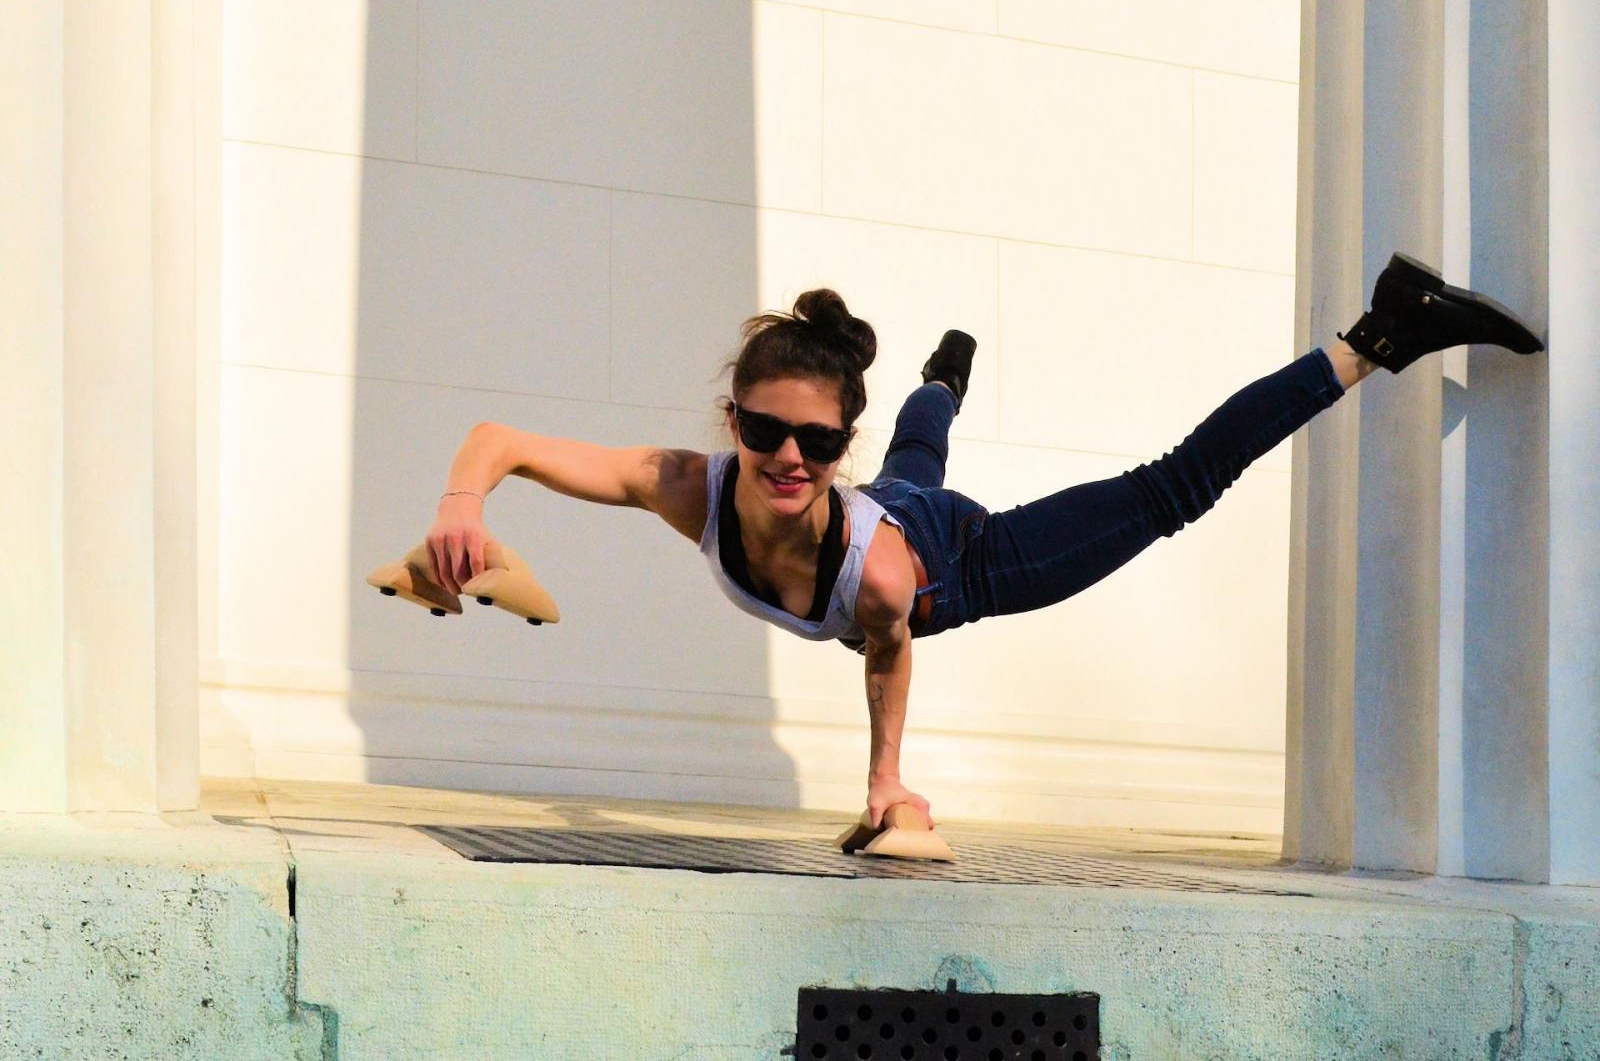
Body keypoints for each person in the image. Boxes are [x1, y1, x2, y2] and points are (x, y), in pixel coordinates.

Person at [424, 252, 1542, 831]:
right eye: (765, 431)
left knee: (1171, 490)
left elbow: (887, 648)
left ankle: (1375, 333)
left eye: (815, 441)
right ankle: (936, 389)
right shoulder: (688, 488)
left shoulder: (881, 577)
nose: (787, 459)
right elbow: (498, 438)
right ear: (733, 423)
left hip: (952, 564)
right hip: (900, 502)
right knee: (918, 464)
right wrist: (465, 508)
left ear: (833, 443)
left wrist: (883, 783)